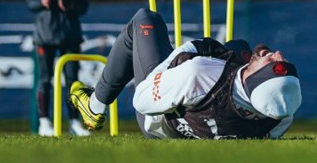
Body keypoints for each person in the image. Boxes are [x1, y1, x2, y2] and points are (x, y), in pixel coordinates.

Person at [67, 7, 302, 139]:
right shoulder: (282, 112)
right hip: (199, 126)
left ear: (255, 79)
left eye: (274, 66)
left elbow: (142, 100)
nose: (278, 54)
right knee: (238, 48)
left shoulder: (200, 73)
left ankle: (94, 106)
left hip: (157, 122)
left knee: (145, 20)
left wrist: (188, 50)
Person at [26, 0, 90, 136]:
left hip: (70, 34)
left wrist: (69, 5)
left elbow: (84, 5)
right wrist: (43, 3)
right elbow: (30, 1)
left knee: (73, 80)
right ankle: (45, 122)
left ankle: (74, 122)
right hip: (46, 34)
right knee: (45, 79)